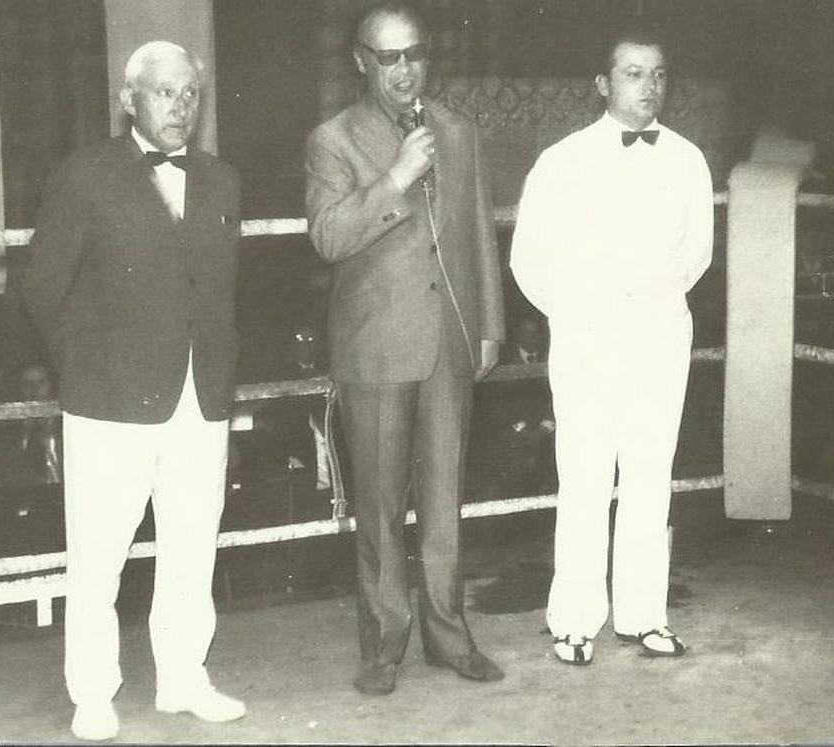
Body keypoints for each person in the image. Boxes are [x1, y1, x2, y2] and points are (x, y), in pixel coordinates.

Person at [23, 41, 246, 740]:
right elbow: (42, 287)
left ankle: (183, 678)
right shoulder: (82, 175)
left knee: (192, 547)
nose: (180, 106)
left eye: (190, 93)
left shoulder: (221, 180)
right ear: (129, 100)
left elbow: (220, 293)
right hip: (108, 401)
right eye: (163, 92)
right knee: (98, 555)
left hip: (199, 398)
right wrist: (88, 365)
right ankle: (93, 692)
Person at [305, 0, 505, 695]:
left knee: (446, 500)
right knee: (381, 508)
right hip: (375, 348)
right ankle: (383, 647)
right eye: (388, 57)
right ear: (361, 62)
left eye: (414, 54)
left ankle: (449, 636)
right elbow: (328, 236)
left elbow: (478, 232)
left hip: (450, 342)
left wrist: (489, 325)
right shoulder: (333, 139)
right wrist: (394, 177)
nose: (403, 70)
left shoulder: (458, 130)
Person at [510, 24, 713, 666]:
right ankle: (574, 621)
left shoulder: (688, 160)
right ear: (603, 83)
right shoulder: (561, 161)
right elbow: (528, 260)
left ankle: (645, 616)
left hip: (659, 336)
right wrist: (581, 314)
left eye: (658, 74)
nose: (649, 86)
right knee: (585, 476)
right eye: (633, 73)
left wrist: (647, 305)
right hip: (588, 340)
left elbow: (696, 255)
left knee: (651, 475)